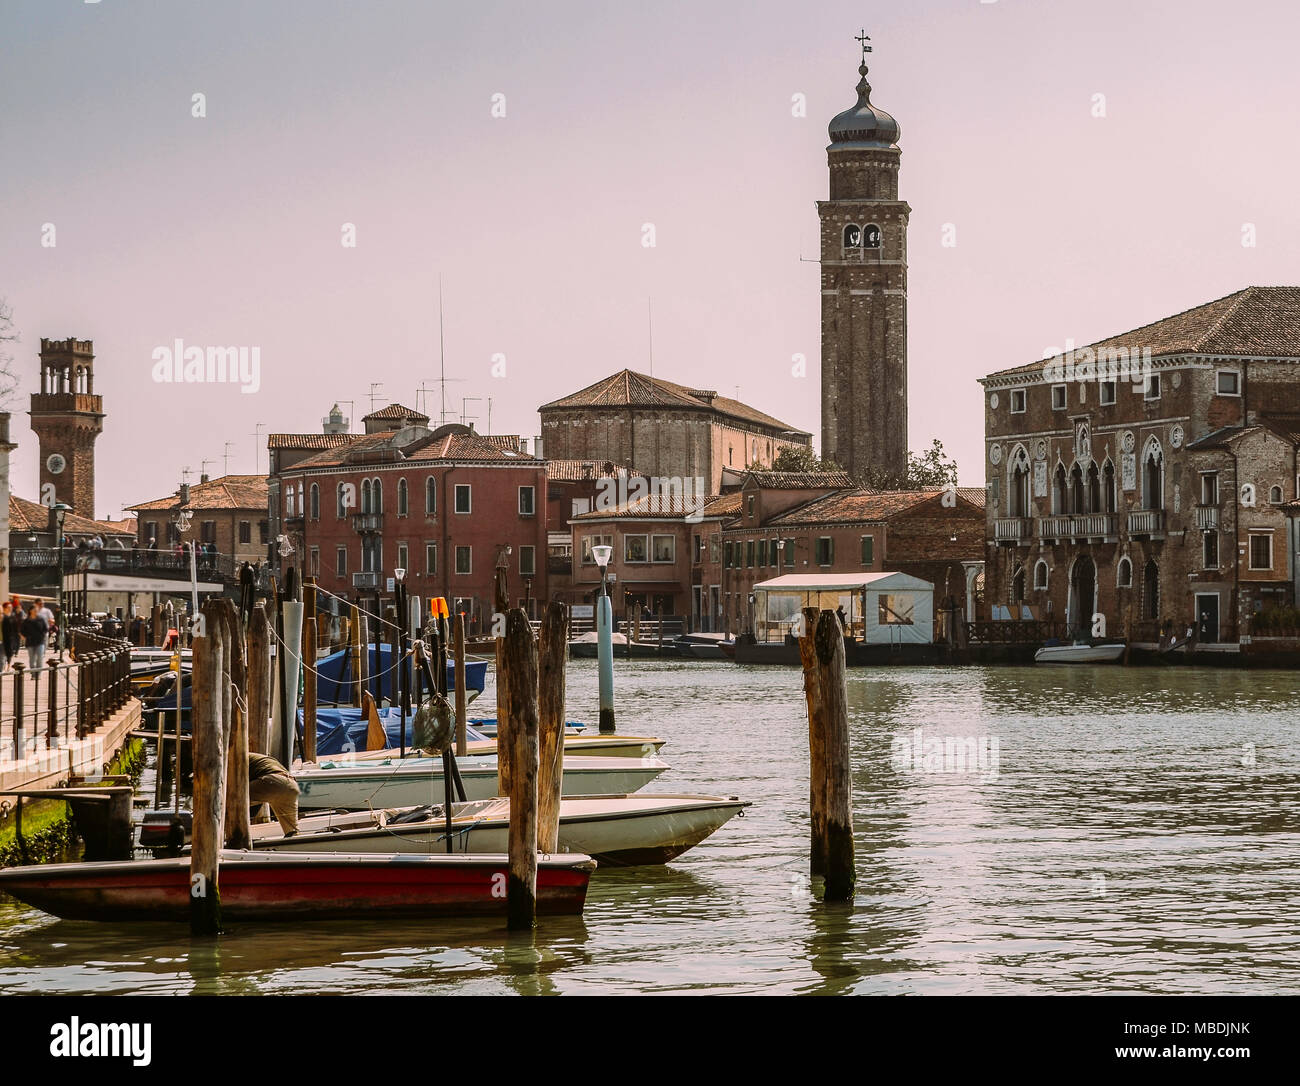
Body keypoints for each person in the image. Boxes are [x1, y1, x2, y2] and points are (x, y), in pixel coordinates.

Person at [248, 752, 299, 836]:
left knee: (232, 800)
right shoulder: (254, 757)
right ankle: (295, 843)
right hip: (291, 784)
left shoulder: (233, 759)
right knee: (292, 831)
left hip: (272, 781)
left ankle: (235, 837)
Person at [21, 604, 48, 671]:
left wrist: (43, 636)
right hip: (30, 642)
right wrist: (24, 637)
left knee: (39, 658)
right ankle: (33, 673)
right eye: (34, 609)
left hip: (40, 642)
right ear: (30, 611)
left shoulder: (41, 619)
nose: (36, 611)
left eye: (36, 610)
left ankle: (38, 673)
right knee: (32, 659)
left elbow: (45, 629)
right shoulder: (26, 620)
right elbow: (22, 630)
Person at [0, 602, 18, 670]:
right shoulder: (4, 618)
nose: (10, 609)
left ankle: (7, 665)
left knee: (5, 656)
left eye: (11, 607)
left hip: (7, 640)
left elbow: (14, 629)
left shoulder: (10, 618)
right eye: (8, 607)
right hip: (3, 640)